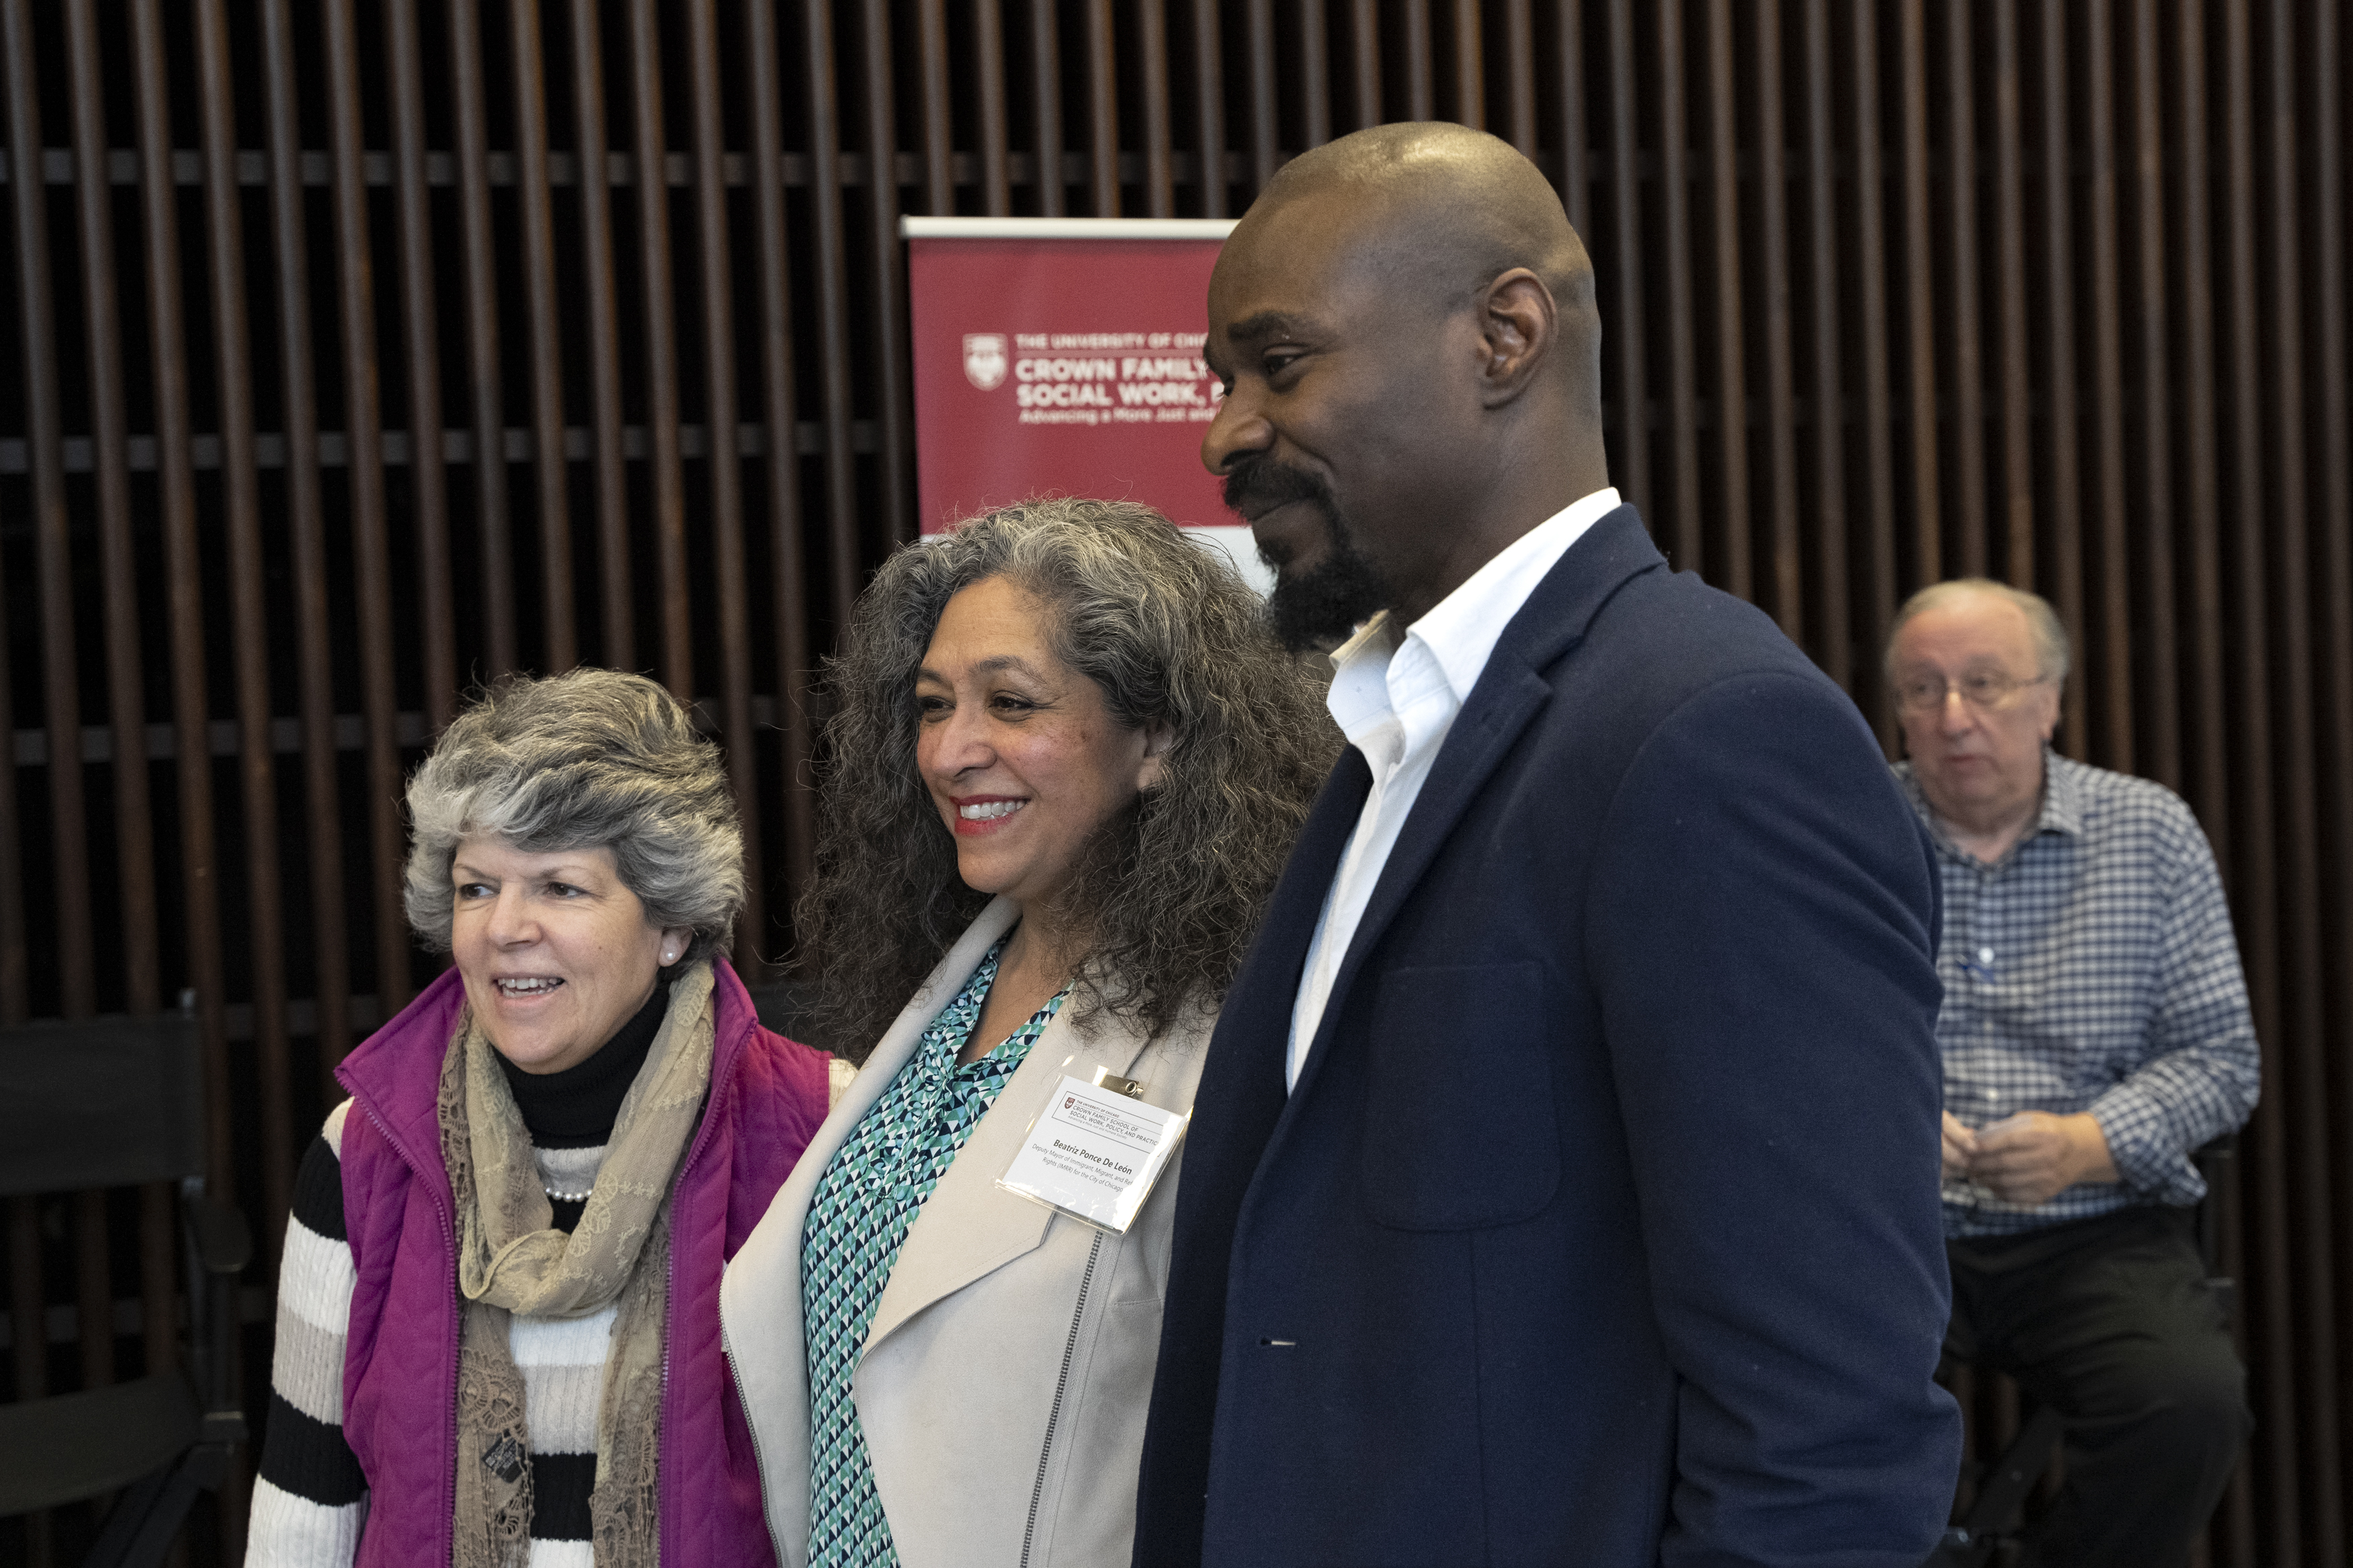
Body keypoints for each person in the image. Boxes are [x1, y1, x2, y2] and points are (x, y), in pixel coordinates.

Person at [1131, 122, 1962, 1567]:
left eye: (1281, 363)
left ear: (1502, 336)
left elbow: (1825, 1437)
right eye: (1224, 379)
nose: (1223, 433)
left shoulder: (1708, 738)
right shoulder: (1391, 738)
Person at [717, 499, 1334, 1568]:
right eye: (932, 705)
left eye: (1011, 702)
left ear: (1157, 740)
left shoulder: (1245, 1039)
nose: (953, 751)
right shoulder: (938, 992)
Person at [247, 668, 833, 1567]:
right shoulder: (365, 1146)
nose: (503, 928)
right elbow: (303, 1505)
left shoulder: (818, 1128)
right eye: (479, 887)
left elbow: (880, 1497)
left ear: (670, 922)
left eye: (560, 886)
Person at [1888, 579, 2258, 1567]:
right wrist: (1884, 1128)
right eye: (1923, 689)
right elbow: (1772, 1051)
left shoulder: (2152, 833)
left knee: (2190, 1408)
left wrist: (2093, 1142)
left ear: (2051, 699)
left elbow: (2224, 1059)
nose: (1954, 716)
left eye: (1986, 683)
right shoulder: (1847, 829)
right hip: (1887, 1223)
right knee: (1810, 1406)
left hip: (2095, 1227)